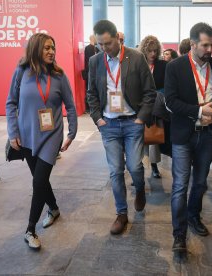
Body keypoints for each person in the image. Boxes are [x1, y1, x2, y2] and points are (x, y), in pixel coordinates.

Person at [6, 33, 78, 250]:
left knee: (38, 182)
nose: (51, 51)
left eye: (53, 47)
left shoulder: (59, 75)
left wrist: (72, 133)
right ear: (36, 49)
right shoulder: (21, 72)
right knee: (41, 180)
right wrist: (12, 132)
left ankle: (30, 230)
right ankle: (54, 208)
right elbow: (11, 103)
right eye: (47, 47)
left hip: (51, 136)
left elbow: (71, 106)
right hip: (27, 137)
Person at [87, 20, 156, 235]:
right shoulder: (95, 61)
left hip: (132, 122)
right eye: (100, 45)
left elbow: (150, 92)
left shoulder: (136, 58)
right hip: (108, 125)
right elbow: (91, 94)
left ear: (117, 37)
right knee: (115, 171)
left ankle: (140, 189)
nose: (104, 49)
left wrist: (141, 119)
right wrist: (98, 119)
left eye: (107, 43)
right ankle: (121, 214)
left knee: (135, 167)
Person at [165, 22, 212, 260]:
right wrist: (200, 112)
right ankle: (179, 234)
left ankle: (193, 216)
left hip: (207, 136)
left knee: (200, 183)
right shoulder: (175, 67)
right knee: (180, 186)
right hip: (183, 135)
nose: (210, 48)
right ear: (192, 44)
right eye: (205, 44)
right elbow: (170, 102)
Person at [138, 35, 167, 178]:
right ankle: (141, 168)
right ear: (144, 50)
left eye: (155, 51)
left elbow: (167, 86)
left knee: (154, 137)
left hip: (156, 106)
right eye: (150, 51)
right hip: (140, 105)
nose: (153, 54)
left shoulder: (163, 65)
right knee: (139, 138)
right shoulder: (138, 63)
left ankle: (154, 166)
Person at [82, 35, 99, 113]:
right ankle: (88, 107)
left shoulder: (97, 49)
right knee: (89, 89)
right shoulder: (87, 48)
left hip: (97, 73)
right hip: (89, 73)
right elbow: (87, 62)